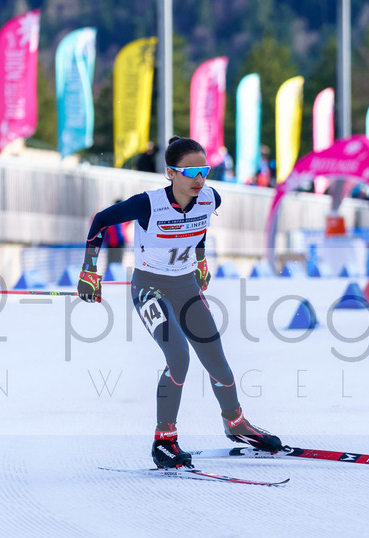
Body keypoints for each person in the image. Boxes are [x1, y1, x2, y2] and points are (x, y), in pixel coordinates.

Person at [77, 136, 282, 469]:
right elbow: (100, 221)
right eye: (190, 172)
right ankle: (164, 441)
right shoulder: (148, 204)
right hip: (150, 288)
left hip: (186, 286)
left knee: (216, 358)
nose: (199, 180)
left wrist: (200, 262)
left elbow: (199, 229)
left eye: (204, 170)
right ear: (170, 173)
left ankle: (236, 424)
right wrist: (89, 270)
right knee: (178, 356)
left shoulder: (209, 198)